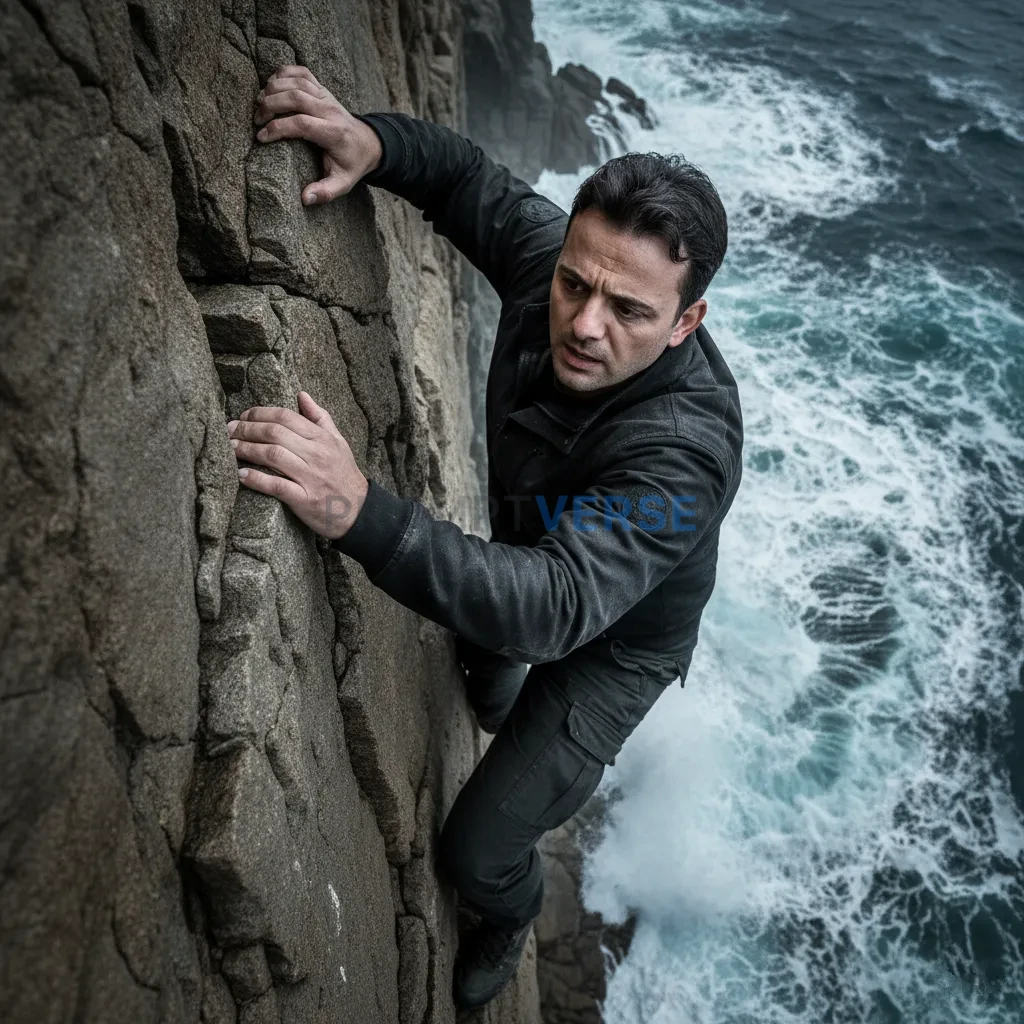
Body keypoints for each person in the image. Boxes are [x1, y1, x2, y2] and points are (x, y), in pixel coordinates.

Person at [228, 64, 743, 1010]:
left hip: (615, 645)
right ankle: (502, 703)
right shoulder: (565, 269)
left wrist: (359, 510)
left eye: (631, 312)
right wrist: (373, 141)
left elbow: (555, 607)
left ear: (686, 322)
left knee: (476, 849)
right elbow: (466, 178)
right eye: (574, 283)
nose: (584, 325)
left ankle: (512, 908)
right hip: (535, 556)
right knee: (486, 659)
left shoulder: (685, 455)